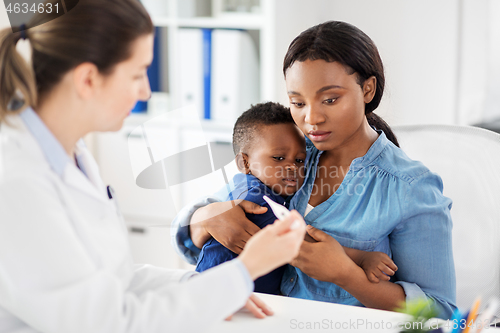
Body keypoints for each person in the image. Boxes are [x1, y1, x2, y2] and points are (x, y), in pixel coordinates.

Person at [0, 1, 307, 332]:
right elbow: (108, 322)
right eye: (137, 73)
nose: (146, 90)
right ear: (88, 79)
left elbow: (116, 279)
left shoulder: (72, 154)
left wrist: (214, 290)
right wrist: (245, 270)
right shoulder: (17, 180)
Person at [172, 21, 457, 319]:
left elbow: (440, 313)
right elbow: (188, 237)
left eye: (330, 99)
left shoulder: (410, 187)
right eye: (297, 102)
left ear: (367, 89)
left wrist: (348, 275)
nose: (312, 118)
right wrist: (206, 218)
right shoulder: (287, 153)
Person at [195, 101, 399, 295]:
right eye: (278, 158)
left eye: (300, 160)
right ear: (245, 163)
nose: (292, 167)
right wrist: (362, 257)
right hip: (221, 296)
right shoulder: (255, 198)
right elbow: (301, 241)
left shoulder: (267, 190)